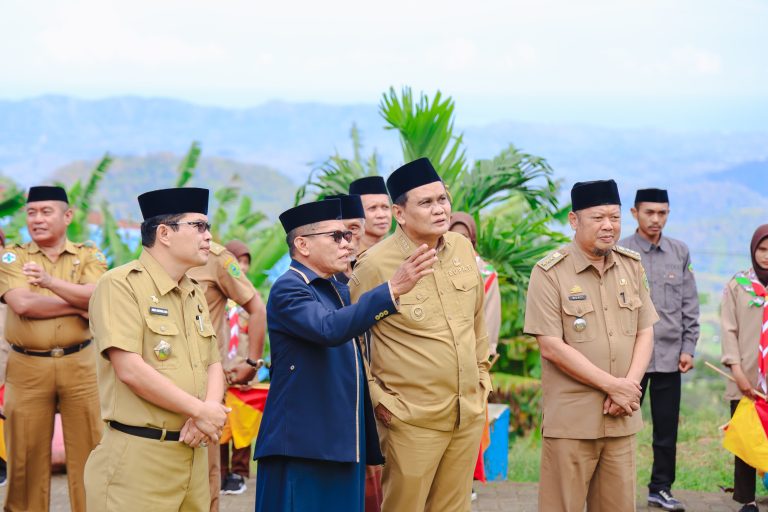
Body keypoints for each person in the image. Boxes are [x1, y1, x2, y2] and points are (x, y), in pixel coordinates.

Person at [253, 198, 436, 512]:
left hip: (341, 440)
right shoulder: (290, 288)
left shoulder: (336, 288)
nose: (346, 243)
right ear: (302, 245)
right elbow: (328, 329)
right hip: (303, 444)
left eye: (348, 235)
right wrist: (392, 288)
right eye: (335, 236)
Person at [350, 158, 492, 512]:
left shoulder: (460, 247)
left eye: (442, 199)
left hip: (465, 411)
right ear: (400, 213)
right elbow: (350, 337)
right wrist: (378, 397)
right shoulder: (375, 264)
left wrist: (483, 379)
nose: (440, 209)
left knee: (454, 508)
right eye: (426, 203)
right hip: (410, 418)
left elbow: (476, 319)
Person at [84, 187, 229, 511]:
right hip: (139, 458)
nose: (208, 236)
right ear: (164, 233)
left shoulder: (193, 291)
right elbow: (130, 369)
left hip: (192, 450)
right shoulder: (120, 284)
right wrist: (200, 411)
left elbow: (213, 362)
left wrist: (205, 412)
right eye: (199, 226)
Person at [524, 179, 658, 511]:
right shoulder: (549, 272)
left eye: (614, 217)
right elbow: (551, 346)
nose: (608, 226)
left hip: (620, 418)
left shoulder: (631, 264)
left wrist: (628, 387)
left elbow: (645, 331)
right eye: (598, 218)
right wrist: (614, 386)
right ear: (574, 220)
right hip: (572, 422)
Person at [0, 186, 106, 512]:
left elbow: (96, 297)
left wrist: (48, 283)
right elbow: (22, 304)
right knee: (25, 458)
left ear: (67, 215)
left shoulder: (90, 254)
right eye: (32, 212)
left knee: (90, 453)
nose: (37, 219)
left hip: (81, 363)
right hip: (27, 366)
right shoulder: (13, 256)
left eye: (47, 211)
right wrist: (78, 303)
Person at [620, 188, 699, 511]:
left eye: (662, 213)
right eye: (649, 212)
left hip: (668, 356)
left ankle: (660, 488)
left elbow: (689, 304)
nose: (656, 219)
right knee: (619, 426)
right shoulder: (621, 250)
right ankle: (616, 488)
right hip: (628, 360)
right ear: (634, 212)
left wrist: (689, 347)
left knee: (665, 429)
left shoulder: (679, 252)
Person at [188, 231, 266, 504]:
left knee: (225, 440)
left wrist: (252, 363)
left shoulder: (217, 260)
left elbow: (257, 308)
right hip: (162, 375)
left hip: (211, 376)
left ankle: (237, 474)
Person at [720, 224, 768, 512]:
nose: (767, 256)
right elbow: (729, 330)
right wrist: (736, 370)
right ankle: (747, 499)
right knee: (746, 437)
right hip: (745, 377)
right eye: (762, 249)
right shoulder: (737, 285)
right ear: (753, 250)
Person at [217, 239, 260, 495]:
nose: (241, 268)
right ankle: (220, 472)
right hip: (220, 371)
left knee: (243, 424)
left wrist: (253, 367)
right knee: (220, 424)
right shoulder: (217, 296)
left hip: (243, 370)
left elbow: (255, 337)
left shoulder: (251, 301)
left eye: (245, 263)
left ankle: (240, 473)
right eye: (237, 262)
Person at [449, 212, 502, 355]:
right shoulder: (434, 266)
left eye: (464, 235)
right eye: (453, 235)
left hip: (473, 351)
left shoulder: (487, 272)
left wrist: (486, 350)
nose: (459, 240)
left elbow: (491, 314)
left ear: (472, 238)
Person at [323, 193, 366, 284]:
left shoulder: (369, 269)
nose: (345, 241)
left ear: (364, 229)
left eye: (353, 228)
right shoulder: (321, 279)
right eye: (336, 233)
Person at [349, 176, 392, 255]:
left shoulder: (396, 253)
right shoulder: (346, 257)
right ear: (356, 213)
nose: (381, 215)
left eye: (385, 207)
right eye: (372, 208)